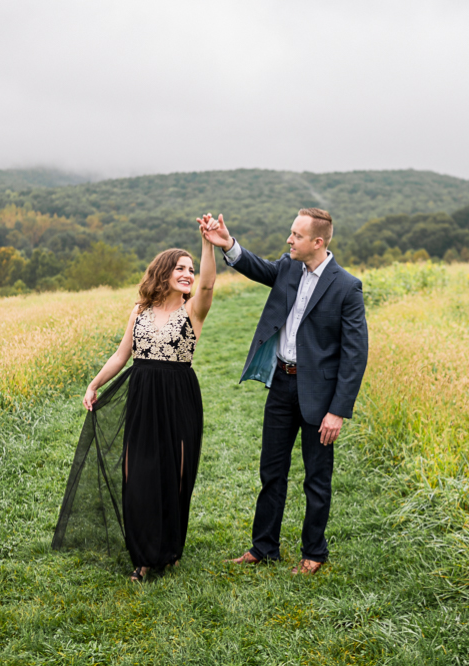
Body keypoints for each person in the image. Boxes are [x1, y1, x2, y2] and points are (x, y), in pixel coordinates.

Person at [201, 208, 368, 575]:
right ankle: (264, 548)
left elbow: (355, 356)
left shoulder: (346, 287)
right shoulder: (290, 268)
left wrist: (337, 411)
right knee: (271, 471)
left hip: (320, 396)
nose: (289, 240)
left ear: (318, 242)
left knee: (316, 477)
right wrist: (226, 242)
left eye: (296, 235)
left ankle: (314, 554)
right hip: (281, 383)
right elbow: (258, 267)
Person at [51, 222, 216, 582]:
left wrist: (208, 245)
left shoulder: (193, 312)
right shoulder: (139, 311)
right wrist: (94, 384)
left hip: (178, 396)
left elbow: (207, 283)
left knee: (175, 474)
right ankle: (142, 556)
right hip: (142, 396)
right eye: (180, 268)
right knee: (137, 473)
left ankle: (169, 549)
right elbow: (121, 354)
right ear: (163, 272)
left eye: (191, 269)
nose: (188, 274)